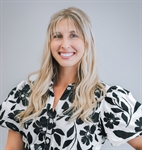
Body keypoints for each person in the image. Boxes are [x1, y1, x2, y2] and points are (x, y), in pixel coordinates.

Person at [0, 7, 142, 150]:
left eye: (74, 36)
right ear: (50, 42)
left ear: (88, 42)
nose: (65, 45)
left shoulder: (105, 98)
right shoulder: (25, 92)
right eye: (57, 36)